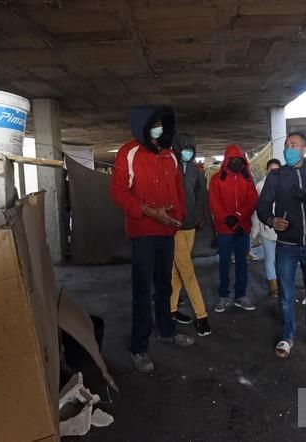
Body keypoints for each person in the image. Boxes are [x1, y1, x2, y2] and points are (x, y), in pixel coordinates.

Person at [110, 105, 194, 373]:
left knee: (164, 286)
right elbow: (118, 193)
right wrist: (148, 211)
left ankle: (167, 332)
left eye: (161, 123)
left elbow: (178, 192)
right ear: (142, 126)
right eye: (154, 123)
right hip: (143, 232)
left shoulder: (169, 156)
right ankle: (139, 347)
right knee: (143, 291)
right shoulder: (129, 152)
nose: (159, 128)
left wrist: (178, 218)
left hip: (167, 232)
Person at [257, 132, 306, 362]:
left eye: (294, 145)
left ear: (304, 150)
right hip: (286, 245)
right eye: (287, 145)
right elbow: (262, 207)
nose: (289, 149)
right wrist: (272, 220)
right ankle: (287, 336)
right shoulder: (276, 176)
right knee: (286, 294)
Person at [169, 133, 212, 336]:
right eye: (184, 148)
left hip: (191, 226)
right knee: (187, 271)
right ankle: (202, 315)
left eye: (191, 149)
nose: (188, 152)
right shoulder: (169, 167)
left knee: (177, 271)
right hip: (174, 226)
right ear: (177, 148)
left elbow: (201, 195)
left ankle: (171, 310)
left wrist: (202, 216)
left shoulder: (196, 169)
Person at [209, 144, 259, 313]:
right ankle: (223, 296)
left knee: (242, 263)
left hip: (242, 229)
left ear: (243, 160)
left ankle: (241, 296)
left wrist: (237, 218)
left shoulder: (248, 178)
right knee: (224, 263)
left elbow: (252, 200)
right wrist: (228, 220)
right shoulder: (217, 179)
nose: (236, 162)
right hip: (224, 230)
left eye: (239, 159)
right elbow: (214, 202)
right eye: (233, 159)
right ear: (226, 161)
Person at [251, 159, 281, 298]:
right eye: (271, 170)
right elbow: (258, 210)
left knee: (281, 258)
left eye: (277, 170)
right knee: (270, 258)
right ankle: (273, 286)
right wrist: (255, 228)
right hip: (266, 227)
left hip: (283, 229)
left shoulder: (285, 184)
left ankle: (282, 283)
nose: (274, 173)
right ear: (266, 171)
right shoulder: (260, 185)